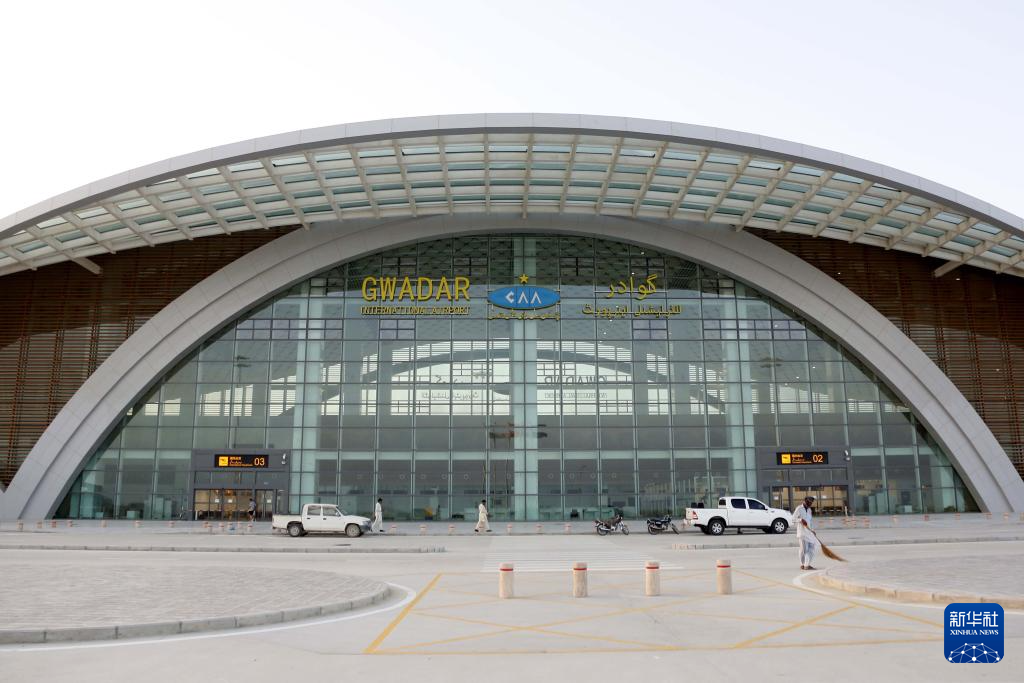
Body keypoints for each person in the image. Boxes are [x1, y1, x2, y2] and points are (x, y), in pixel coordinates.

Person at [793, 496, 819, 570]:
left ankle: (806, 564)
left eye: (811, 502)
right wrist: (800, 520)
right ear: (805, 501)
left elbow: (810, 521)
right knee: (804, 550)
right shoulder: (799, 508)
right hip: (802, 533)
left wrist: (813, 530)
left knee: (812, 547)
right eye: (809, 502)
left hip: (809, 533)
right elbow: (793, 519)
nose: (810, 503)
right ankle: (803, 564)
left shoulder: (809, 510)